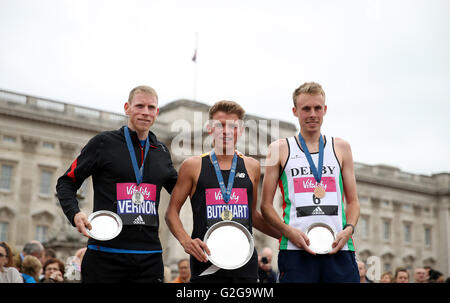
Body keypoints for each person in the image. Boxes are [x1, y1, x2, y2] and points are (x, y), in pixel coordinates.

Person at [56, 85, 178, 283]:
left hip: (149, 257)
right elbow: (66, 182)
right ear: (127, 108)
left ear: (157, 112)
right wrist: (74, 213)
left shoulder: (161, 152)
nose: (145, 112)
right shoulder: (103, 143)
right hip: (105, 255)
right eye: (139, 106)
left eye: (150, 107)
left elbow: (183, 190)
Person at [165, 100, 281, 283]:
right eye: (220, 125)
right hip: (206, 261)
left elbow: (252, 215)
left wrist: (284, 235)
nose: (226, 131)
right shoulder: (192, 165)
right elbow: (171, 212)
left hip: (244, 262)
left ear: (241, 130)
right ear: (210, 128)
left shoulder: (252, 166)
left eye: (233, 126)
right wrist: (186, 241)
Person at [261, 82, 360, 283]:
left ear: (325, 110)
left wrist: (348, 229)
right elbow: (265, 206)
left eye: (317, 108)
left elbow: (354, 202)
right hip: (295, 249)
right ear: (295, 111)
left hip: (338, 247)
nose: (312, 114)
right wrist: (288, 232)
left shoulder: (341, 147)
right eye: (306, 108)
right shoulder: (278, 149)